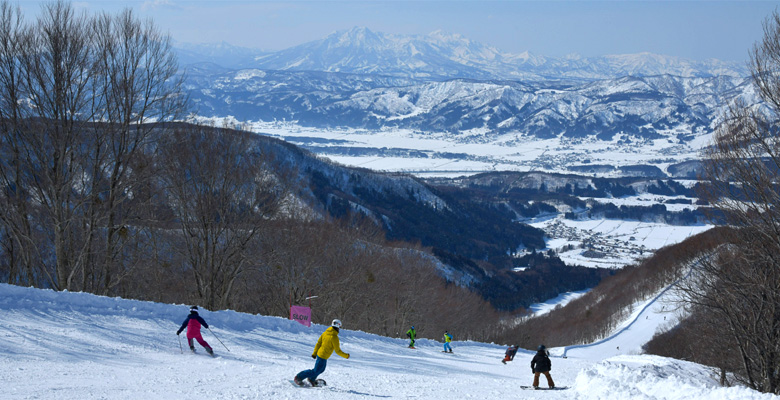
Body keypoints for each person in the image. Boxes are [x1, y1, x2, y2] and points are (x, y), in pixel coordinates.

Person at [294, 319, 350, 387]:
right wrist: (346, 356)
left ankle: (312, 379)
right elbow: (337, 351)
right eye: (340, 327)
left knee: (321, 370)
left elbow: (318, 343)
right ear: (338, 326)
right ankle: (298, 377)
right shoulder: (334, 337)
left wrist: (315, 353)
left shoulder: (325, 333)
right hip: (322, 356)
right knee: (315, 371)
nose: (339, 329)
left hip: (322, 355)